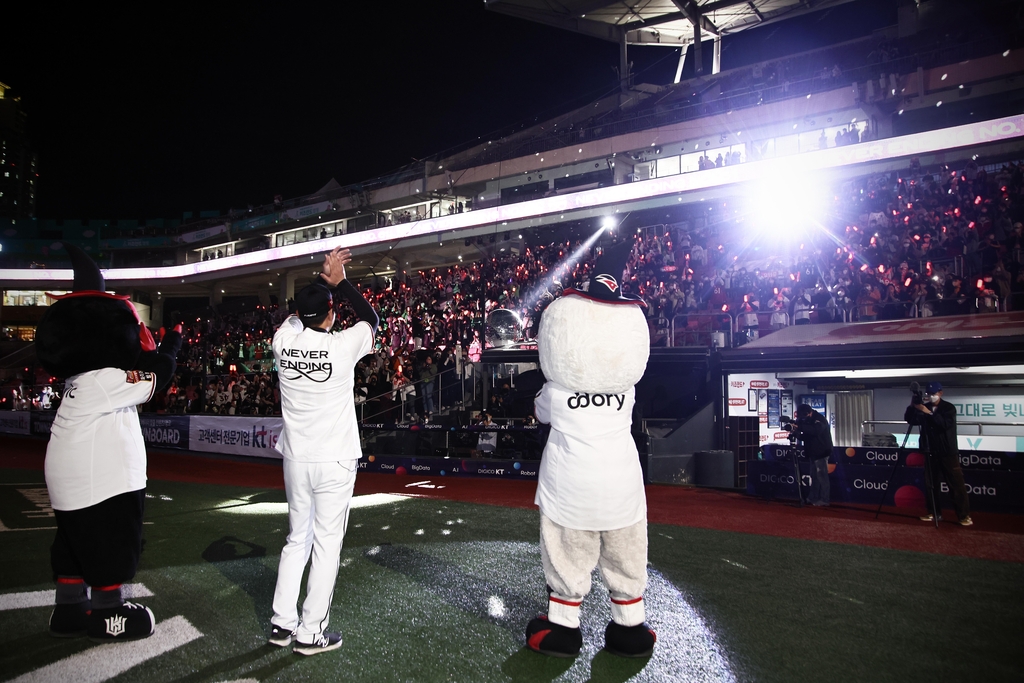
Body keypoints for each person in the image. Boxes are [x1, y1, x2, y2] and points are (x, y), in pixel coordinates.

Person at [268, 247, 379, 654]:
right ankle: (310, 632)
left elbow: (302, 311)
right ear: (331, 313)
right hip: (333, 458)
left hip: (296, 457)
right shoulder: (343, 345)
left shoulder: (284, 342)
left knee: (297, 538)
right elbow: (373, 320)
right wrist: (341, 281)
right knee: (326, 543)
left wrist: (321, 285)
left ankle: (282, 624)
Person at [904, 382, 972, 526]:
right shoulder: (925, 407)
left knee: (956, 485)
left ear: (941, 392)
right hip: (930, 451)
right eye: (928, 394)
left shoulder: (948, 408)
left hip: (948, 452)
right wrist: (912, 406)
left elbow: (944, 424)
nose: (931, 396)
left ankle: (963, 515)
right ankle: (934, 513)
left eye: (933, 393)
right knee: (931, 484)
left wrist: (928, 412)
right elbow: (910, 420)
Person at [790, 404, 832, 506]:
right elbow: (806, 437)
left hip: (822, 451)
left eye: (805, 415)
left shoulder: (819, 419)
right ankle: (813, 497)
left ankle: (825, 499)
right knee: (814, 476)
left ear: (809, 413)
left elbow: (815, 431)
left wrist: (800, 427)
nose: (803, 418)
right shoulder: (804, 420)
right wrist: (797, 433)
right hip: (812, 451)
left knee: (822, 476)